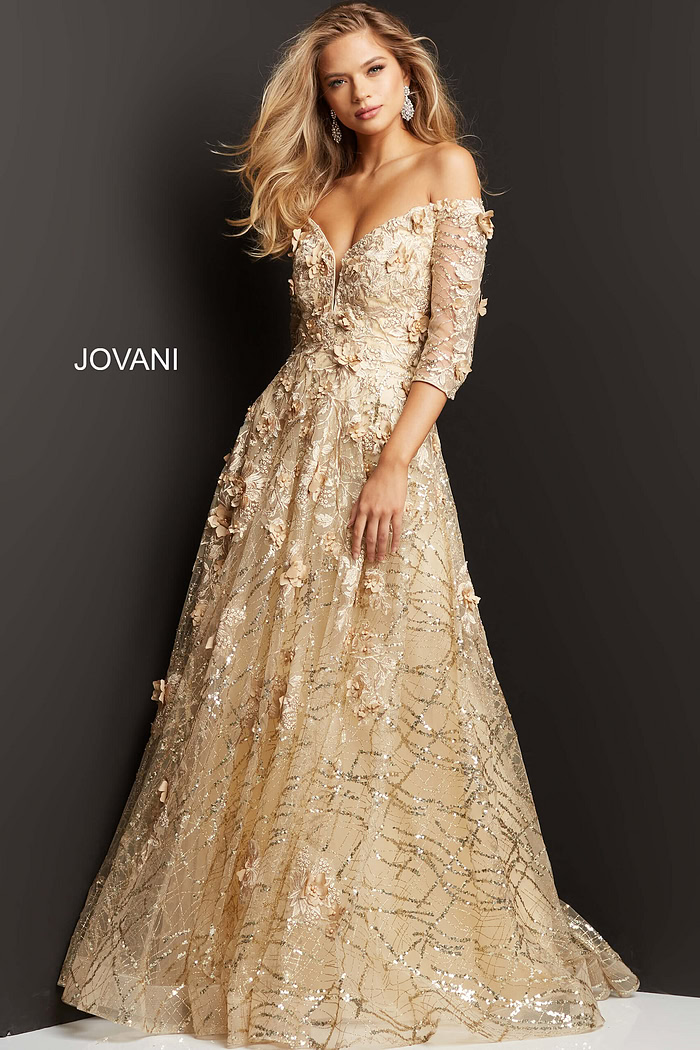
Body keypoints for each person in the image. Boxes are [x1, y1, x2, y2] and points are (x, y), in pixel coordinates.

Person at [57, 3, 640, 1045]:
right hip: (282, 456)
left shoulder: (446, 169)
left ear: (407, 75)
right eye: (337, 79)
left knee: (376, 674)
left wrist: (393, 465)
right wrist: (291, 459)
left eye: (372, 70)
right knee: (271, 684)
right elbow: (312, 341)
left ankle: (369, 944)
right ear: (322, 97)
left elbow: (447, 345)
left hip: (382, 454)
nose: (358, 92)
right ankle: (269, 942)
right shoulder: (315, 192)